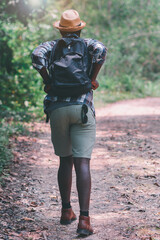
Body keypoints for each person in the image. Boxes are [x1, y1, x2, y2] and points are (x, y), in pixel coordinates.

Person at [32, 9, 107, 236]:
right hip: (82, 107)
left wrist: (48, 82)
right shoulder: (88, 44)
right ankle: (84, 220)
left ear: (60, 29)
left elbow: (36, 56)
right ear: (80, 28)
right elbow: (101, 50)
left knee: (65, 161)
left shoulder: (52, 46)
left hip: (57, 109)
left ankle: (66, 211)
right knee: (82, 163)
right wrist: (93, 78)